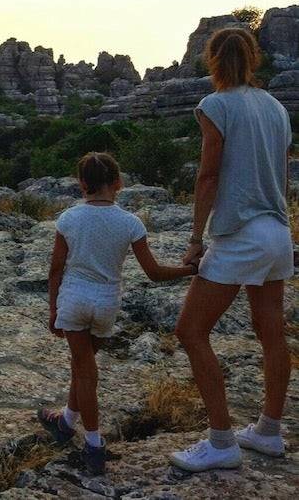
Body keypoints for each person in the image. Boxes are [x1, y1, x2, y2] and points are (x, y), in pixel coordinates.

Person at [170, 27, 294, 472]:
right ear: (254, 58)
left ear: (213, 61)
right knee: (272, 333)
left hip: (239, 233)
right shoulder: (277, 107)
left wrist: (195, 239)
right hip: (277, 232)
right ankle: (269, 431)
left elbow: (208, 175)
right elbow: (281, 173)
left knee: (190, 330)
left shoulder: (215, 105)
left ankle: (222, 442)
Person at [39, 151, 198, 475]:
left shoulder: (69, 219)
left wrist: (53, 307)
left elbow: (56, 269)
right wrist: (188, 270)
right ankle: (66, 422)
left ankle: (95, 445)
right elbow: (153, 272)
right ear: (118, 183)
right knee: (82, 365)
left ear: (82, 184)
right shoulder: (130, 223)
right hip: (106, 303)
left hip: (75, 299)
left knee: (84, 370)